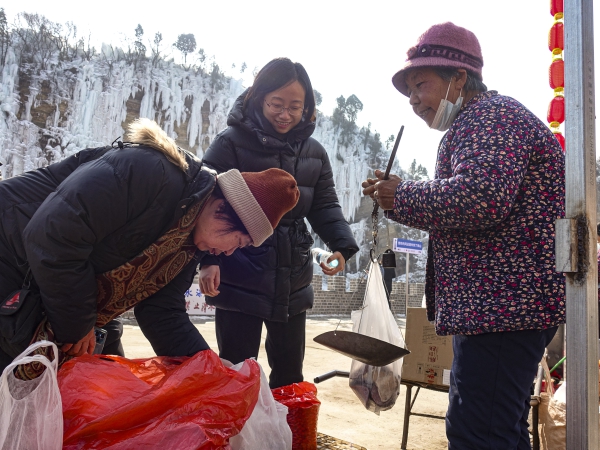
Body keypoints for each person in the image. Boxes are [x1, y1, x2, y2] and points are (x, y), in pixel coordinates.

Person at [362, 22, 565, 449]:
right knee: (494, 429)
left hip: (505, 306)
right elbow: (473, 204)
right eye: (409, 91)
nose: (414, 100)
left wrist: (402, 195)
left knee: (480, 433)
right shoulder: (477, 123)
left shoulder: (491, 117)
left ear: (458, 78)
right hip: (497, 306)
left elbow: (481, 197)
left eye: (421, 85)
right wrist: (400, 196)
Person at [0, 118, 300, 379]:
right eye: (239, 242)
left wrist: (210, 371)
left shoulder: (187, 241)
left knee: (101, 386)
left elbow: (162, 311)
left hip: (50, 287)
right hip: (11, 256)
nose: (230, 252)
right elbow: (54, 235)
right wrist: (78, 325)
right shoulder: (150, 172)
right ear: (223, 209)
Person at [200, 57, 359, 388]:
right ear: (260, 99)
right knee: (237, 373)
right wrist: (208, 260)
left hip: (293, 276)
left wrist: (342, 247)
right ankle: (241, 437)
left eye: (295, 106)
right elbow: (202, 205)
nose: (285, 114)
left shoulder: (314, 153)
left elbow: (325, 204)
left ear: (307, 107)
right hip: (239, 270)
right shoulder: (230, 143)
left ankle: (286, 436)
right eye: (277, 104)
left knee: (289, 375)